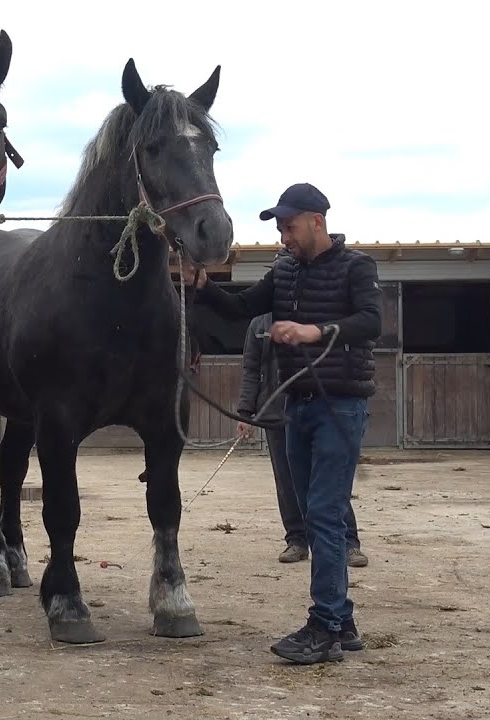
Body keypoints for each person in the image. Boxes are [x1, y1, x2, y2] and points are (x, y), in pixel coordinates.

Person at [184, 182, 380, 665]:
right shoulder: (285, 270)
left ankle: (324, 627)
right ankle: (342, 620)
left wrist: (316, 331)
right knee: (314, 514)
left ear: (317, 222)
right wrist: (205, 287)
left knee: (324, 514)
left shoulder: (356, 266)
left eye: (289, 227)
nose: (283, 237)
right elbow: (242, 308)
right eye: (280, 229)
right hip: (296, 406)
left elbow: (371, 322)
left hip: (340, 405)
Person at [236, 311, 368, 567]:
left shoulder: (311, 311)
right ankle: (296, 539)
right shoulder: (259, 324)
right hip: (275, 412)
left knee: (328, 480)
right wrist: (245, 412)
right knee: (286, 481)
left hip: (314, 408)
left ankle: (349, 541)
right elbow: (251, 369)